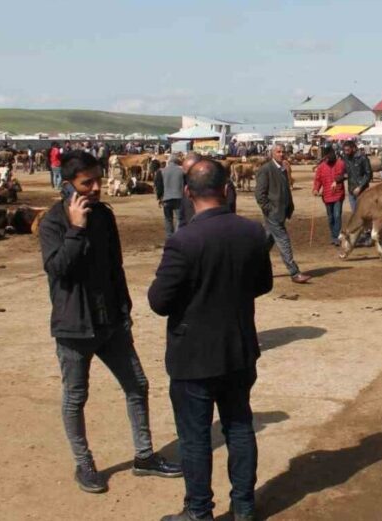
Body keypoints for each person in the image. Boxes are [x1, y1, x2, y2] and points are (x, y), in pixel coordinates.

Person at [38, 150, 181, 494]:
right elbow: (59, 269)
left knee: (137, 385)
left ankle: (144, 456)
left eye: (98, 180)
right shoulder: (53, 222)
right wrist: (75, 229)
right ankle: (84, 463)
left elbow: (115, 267)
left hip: (111, 324)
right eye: (87, 183)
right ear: (67, 184)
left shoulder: (104, 216)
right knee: (76, 396)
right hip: (73, 327)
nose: (96, 188)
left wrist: (124, 310)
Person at [148, 159, 273, 521]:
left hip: (194, 356)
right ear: (227, 188)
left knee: (195, 437)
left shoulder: (183, 241)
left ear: (187, 192)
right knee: (239, 427)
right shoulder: (251, 232)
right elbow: (263, 284)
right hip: (238, 349)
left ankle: (199, 511)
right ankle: (245, 506)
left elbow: (159, 301)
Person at [255, 144, 310, 284]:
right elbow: (259, 194)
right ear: (272, 153)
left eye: (283, 152)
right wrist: (269, 209)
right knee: (283, 241)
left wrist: (289, 206)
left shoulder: (283, 169)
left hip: (281, 212)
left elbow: (286, 189)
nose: (281, 154)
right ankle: (294, 272)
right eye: (278, 152)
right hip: (273, 214)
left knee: (266, 242)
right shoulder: (266, 169)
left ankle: (250, 267)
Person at [312, 145, 347, 245]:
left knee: (337, 215)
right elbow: (318, 180)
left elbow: (346, 174)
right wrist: (315, 189)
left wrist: (338, 180)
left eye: (330, 155)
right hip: (326, 196)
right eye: (327, 155)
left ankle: (337, 237)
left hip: (338, 195)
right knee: (330, 217)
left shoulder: (341, 164)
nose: (328, 157)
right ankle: (333, 235)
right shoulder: (321, 167)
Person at [341, 141, 372, 246]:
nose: (346, 152)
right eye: (344, 150)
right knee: (356, 214)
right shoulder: (345, 158)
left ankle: (368, 236)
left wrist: (360, 186)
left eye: (347, 150)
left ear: (353, 148)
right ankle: (360, 236)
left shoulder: (362, 158)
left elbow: (368, 174)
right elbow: (346, 172)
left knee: (365, 215)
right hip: (351, 191)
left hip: (362, 191)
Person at [157, 154, 186, 238]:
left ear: (168, 161)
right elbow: (186, 185)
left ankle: (169, 237)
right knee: (179, 218)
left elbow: (159, 186)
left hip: (166, 198)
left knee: (168, 219)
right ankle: (178, 236)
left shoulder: (161, 171)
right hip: (179, 198)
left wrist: (159, 198)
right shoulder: (182, 171)